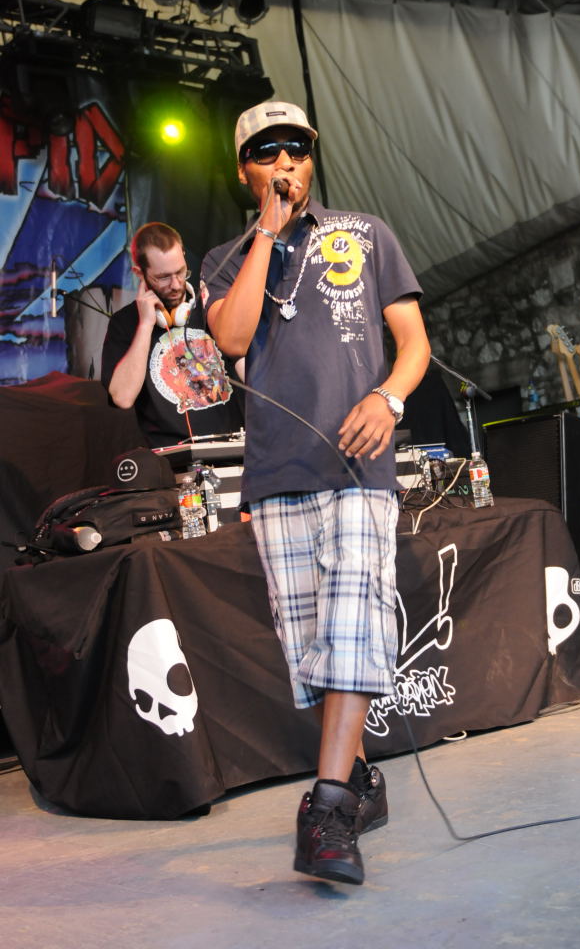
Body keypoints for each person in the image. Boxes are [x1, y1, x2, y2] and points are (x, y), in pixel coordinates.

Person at [202, 101, 430, 886]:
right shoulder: (227, 259)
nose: (285, 164)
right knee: (314, 648)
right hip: (277, 471)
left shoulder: (366, 234)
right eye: (267, 152)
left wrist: (389, 399)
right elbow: (232, 339)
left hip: (360, 464)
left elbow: (414, 343)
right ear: (244, 169)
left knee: (354, 619)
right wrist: (266, 233)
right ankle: (361, 778)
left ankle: (329, 807)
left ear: (312, 156)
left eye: (296, 149)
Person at [102, 222, 243, 448]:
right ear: (140, 274)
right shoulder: (125, 324)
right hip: (170, 459)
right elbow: (123, 398)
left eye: (180, 272)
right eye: (163, 277)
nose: (176, 284)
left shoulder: (212, 306)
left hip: (233, 448)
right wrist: (146, 325)